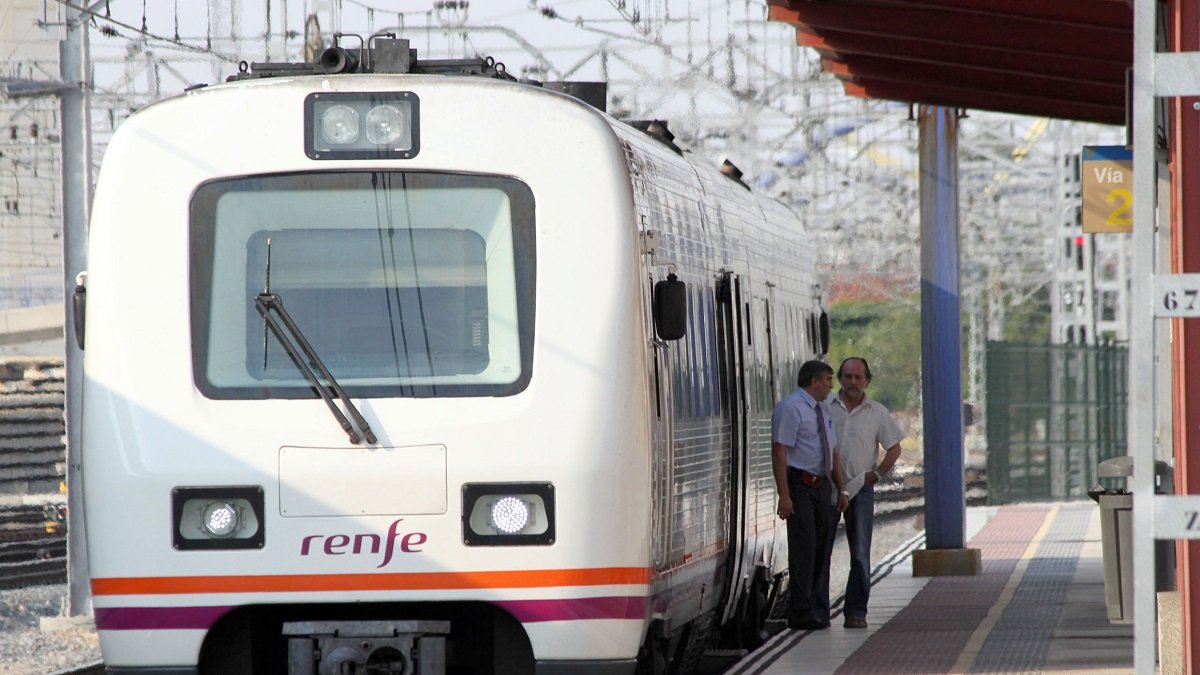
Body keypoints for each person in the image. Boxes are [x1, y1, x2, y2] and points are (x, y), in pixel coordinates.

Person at [822, 356, 905, 629]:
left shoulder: (877, 412)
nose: (852, 382)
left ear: (867, 380)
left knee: (859, 552)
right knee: (821, 551)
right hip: (828, 488)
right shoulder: (825, 407)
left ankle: (856, 611)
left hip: (860, 488)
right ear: (840, 379)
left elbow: (894, 447)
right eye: (847, 377)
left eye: (858, 377)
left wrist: (878, 474)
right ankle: (818, 611)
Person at [772, 360, 848, 631]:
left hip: (822, 485)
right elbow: (779, 451)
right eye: (828, 379)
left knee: (822, 547)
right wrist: (785, 495)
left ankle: (818, 607)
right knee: (804, 548)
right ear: (814, 381)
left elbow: (833, 452)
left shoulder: (823, 410)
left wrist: (841, 488)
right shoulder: (791, 408)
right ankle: (801, 612)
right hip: (800, 485)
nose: (831, 385)